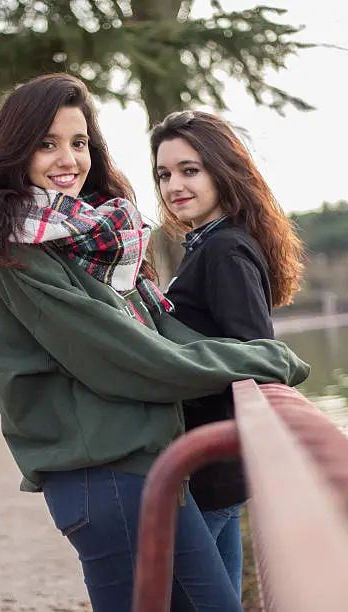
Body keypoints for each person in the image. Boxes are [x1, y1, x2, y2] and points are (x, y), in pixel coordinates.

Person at [0, 74, 309, 612]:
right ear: (16, 152)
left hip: (146, 471)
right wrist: (268, 356)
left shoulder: (85, 242)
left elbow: (158, 329)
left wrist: (259, 358)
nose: (68, 158)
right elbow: (133, 357)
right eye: (47, 144)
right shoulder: (21, 256)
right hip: (106, 479)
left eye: (79, 142)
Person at [150, 110, 304, 599]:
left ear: (221, 169)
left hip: (210, 469)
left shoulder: (225, 252)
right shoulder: (207, 246)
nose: (175, 184)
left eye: (189, 170)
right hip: (214, 467)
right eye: (165, 174)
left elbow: (255, 357)